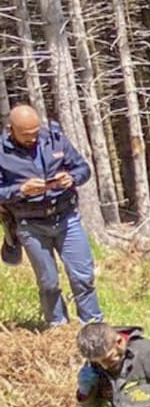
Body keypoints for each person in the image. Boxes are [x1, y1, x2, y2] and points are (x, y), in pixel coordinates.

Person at [0, 105, 101, 326]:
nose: (33, 138)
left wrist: (71, 178)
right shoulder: (1, 153)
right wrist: (21, 190)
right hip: (30, 224)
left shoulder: (55, 139)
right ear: (11, 130)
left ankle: (93, 326)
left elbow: (83, 169)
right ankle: (57, 327)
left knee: (83, 277)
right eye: (27, 135)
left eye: (36, 132)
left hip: (66, 217)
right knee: (48, 283)